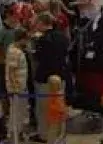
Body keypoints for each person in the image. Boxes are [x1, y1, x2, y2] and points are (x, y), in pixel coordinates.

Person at [33, 10, 70, 142]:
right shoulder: (63, 37)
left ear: (42, 23)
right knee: (59, 108)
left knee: (43, 109)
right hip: (60, 77)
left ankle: (43, 134)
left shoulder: (43, 40)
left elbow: (38, 58)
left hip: (45, 78)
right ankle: (60, 136)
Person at [6, 28, 30, 141]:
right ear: (22, 39)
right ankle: (12, 135)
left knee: (20, 112)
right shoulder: (15, 52)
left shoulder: (15, 49)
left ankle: (18, 132)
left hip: (20, 86)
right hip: (16, 88)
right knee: (15, 112)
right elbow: (11, 71)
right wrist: (15, 88)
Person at [45, 74, 68, 144]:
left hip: (60, 118)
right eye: (53, 84)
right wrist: (60, 109)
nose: (56, 86)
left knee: (61, 134)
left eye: (57, 84)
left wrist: (64, 110)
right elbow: (51, 106)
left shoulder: (59, 94)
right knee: (52, 135)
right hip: (53, 119)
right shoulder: (51, 95)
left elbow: (62, 104)